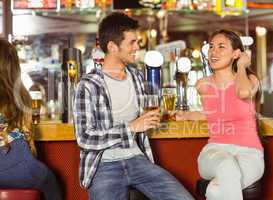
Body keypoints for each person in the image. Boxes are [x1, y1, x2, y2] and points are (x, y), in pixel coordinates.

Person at [73, 12, 194, 200]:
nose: (137, 47)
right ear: (112, 47)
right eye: (132, 42)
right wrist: (131, 128)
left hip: (137, 160)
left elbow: (144, 116)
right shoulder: (88, 85)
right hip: (104, 165)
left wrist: (160, 115)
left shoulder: (136, 77)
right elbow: (85, 138)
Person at [176, 29, 264, 200]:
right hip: (215, 151)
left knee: (216, 191)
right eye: (211, 47)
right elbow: (211, 113)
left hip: (250, 154)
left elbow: (243, 92)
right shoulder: (203, 85)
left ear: (236, 53)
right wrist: (185, 115)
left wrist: (241, 66)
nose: (213, 52)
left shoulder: (251, 80)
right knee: (227, 165)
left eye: (221, 47)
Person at [0, 39, 62, 200]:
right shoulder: (19, 95)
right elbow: (27, 139)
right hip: (17, 167)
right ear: (12, 67)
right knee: (51, 180)